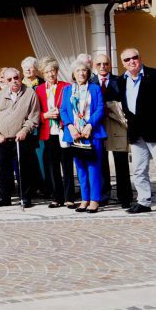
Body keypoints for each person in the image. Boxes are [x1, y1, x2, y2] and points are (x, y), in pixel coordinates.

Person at [119, 48, 156, 216]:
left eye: (134, 57)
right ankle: (143, 202)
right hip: (136, 134)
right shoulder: (121, 81)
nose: (131, 61)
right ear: (123, 63)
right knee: (139, 169)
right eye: (127, 59)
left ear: (140, 58)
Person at [0, 67, 40, 208]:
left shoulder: (30, 93)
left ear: (20, 77)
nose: (13, 81)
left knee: (24, 170)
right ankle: (4, 197)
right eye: (9, 79)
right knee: (4, 171)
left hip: (21, 139)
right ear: (5, 81)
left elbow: (33, 117)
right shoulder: (1, 94)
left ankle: (25, 197)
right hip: (3, 139)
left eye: (16, 78)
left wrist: (25, 130)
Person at [62, 60, 106, 213]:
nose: (81, 73)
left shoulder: (94, 88)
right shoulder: (67, 90)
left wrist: (89, 125)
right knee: (80, 168)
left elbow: (100, 108)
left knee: (93, 167)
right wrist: (70, 127)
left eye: (84, 70)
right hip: (75, 134)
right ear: (73, 74)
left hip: (92, 132)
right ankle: (84, 199)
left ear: (88, 73)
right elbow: (63, 111)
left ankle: (95, 200)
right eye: (78, 71)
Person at [35, 58, 74, 209]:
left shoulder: (67, 87)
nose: (50, 74)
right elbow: (34, 113)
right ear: (42, 74)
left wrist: (62, 115)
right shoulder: (38, 90)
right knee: (52, 167)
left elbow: (73, 108)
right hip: (48, 132)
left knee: (67, 165)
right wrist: (45, 115)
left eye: (53, 70)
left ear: (57, 71)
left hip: (64, 131)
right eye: (47, 71)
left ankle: (69, 197)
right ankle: (57, 197)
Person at [95, 52, 131, 208]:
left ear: (110, 65)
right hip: (98, 125)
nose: (103, 66)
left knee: (121, 160)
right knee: (100, 161)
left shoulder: (119, 81)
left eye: (106, 63)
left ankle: (125, 197)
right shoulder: (90, 82)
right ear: (94, 66)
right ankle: (103, 196)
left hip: (116, 124)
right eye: (99, 64)